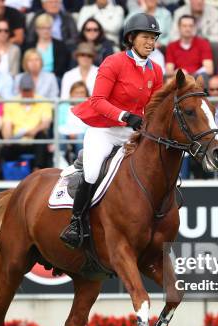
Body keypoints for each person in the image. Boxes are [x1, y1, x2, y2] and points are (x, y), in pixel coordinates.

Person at [60, 13, 163, 249]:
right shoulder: (113, 62)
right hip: (104, 129)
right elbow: (97, 100)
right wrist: (125, 116)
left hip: (134, 132)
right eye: (146, 37)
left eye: (154, 38)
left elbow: (154, 106)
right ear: (131, 38)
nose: (151, 42)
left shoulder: (156, 71)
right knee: (93, 173)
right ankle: (75, 223)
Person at [1, 73, 53, 170]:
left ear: (34, 89)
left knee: (41, 136)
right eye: (25, 90)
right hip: (17, 141)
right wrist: (8, 138)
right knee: (5, 147)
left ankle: (37, 169)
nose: (27, 93)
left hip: (34, 140)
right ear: (20, 90)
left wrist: (34, 131)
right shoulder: (11, 102)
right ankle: (10, 172)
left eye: (29, 90)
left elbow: (46, 123)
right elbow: (6, 123)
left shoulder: (43, 101)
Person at [23, 13, 70, 78]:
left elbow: (61, 67)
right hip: (32, 77)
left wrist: (48, 77)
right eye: (42, 28)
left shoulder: (60, 46)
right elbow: (25, 66)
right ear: (37, 29)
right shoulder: (29, 46)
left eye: (48, 28)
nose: (46, 31)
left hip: (54, 77)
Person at [57, 80, 89, 163]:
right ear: (71, 94)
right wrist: (71, 133)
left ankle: (80, 162)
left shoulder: (90, 108)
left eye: (82, 93)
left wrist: (75, 133)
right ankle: (61, 161)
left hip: (83, 134)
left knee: (80, 137)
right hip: (66, 133)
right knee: (61, 137)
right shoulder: (63, 107)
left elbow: (88, 127)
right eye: (76, 93)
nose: (79, 95)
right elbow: (60, 126)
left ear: (86, 95)